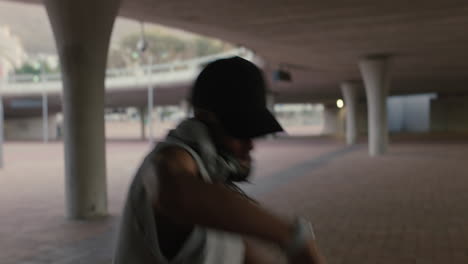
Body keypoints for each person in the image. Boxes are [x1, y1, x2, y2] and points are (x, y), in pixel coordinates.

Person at [113, 57, 326, 264]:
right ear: (203, 120)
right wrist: (291, 236)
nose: (250, 145)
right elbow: (169, 188)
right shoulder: (168, 160)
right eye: (240, 132)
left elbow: (235, 254)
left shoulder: (209, 186)